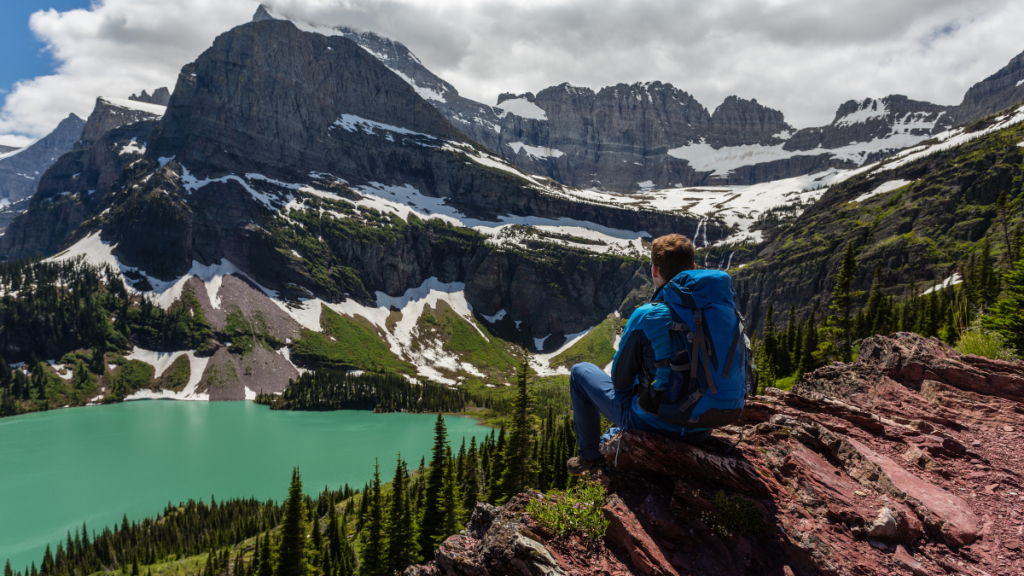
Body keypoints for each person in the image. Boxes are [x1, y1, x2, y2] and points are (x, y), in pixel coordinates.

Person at [567, 233, 734, 476]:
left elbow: (620, 383)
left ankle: (591, 455)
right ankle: (611, 438)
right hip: (704, 426)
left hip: (654, 425)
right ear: (694, 268)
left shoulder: (647, 315)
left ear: (654, 270)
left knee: (579, 372)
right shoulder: (723, 312)